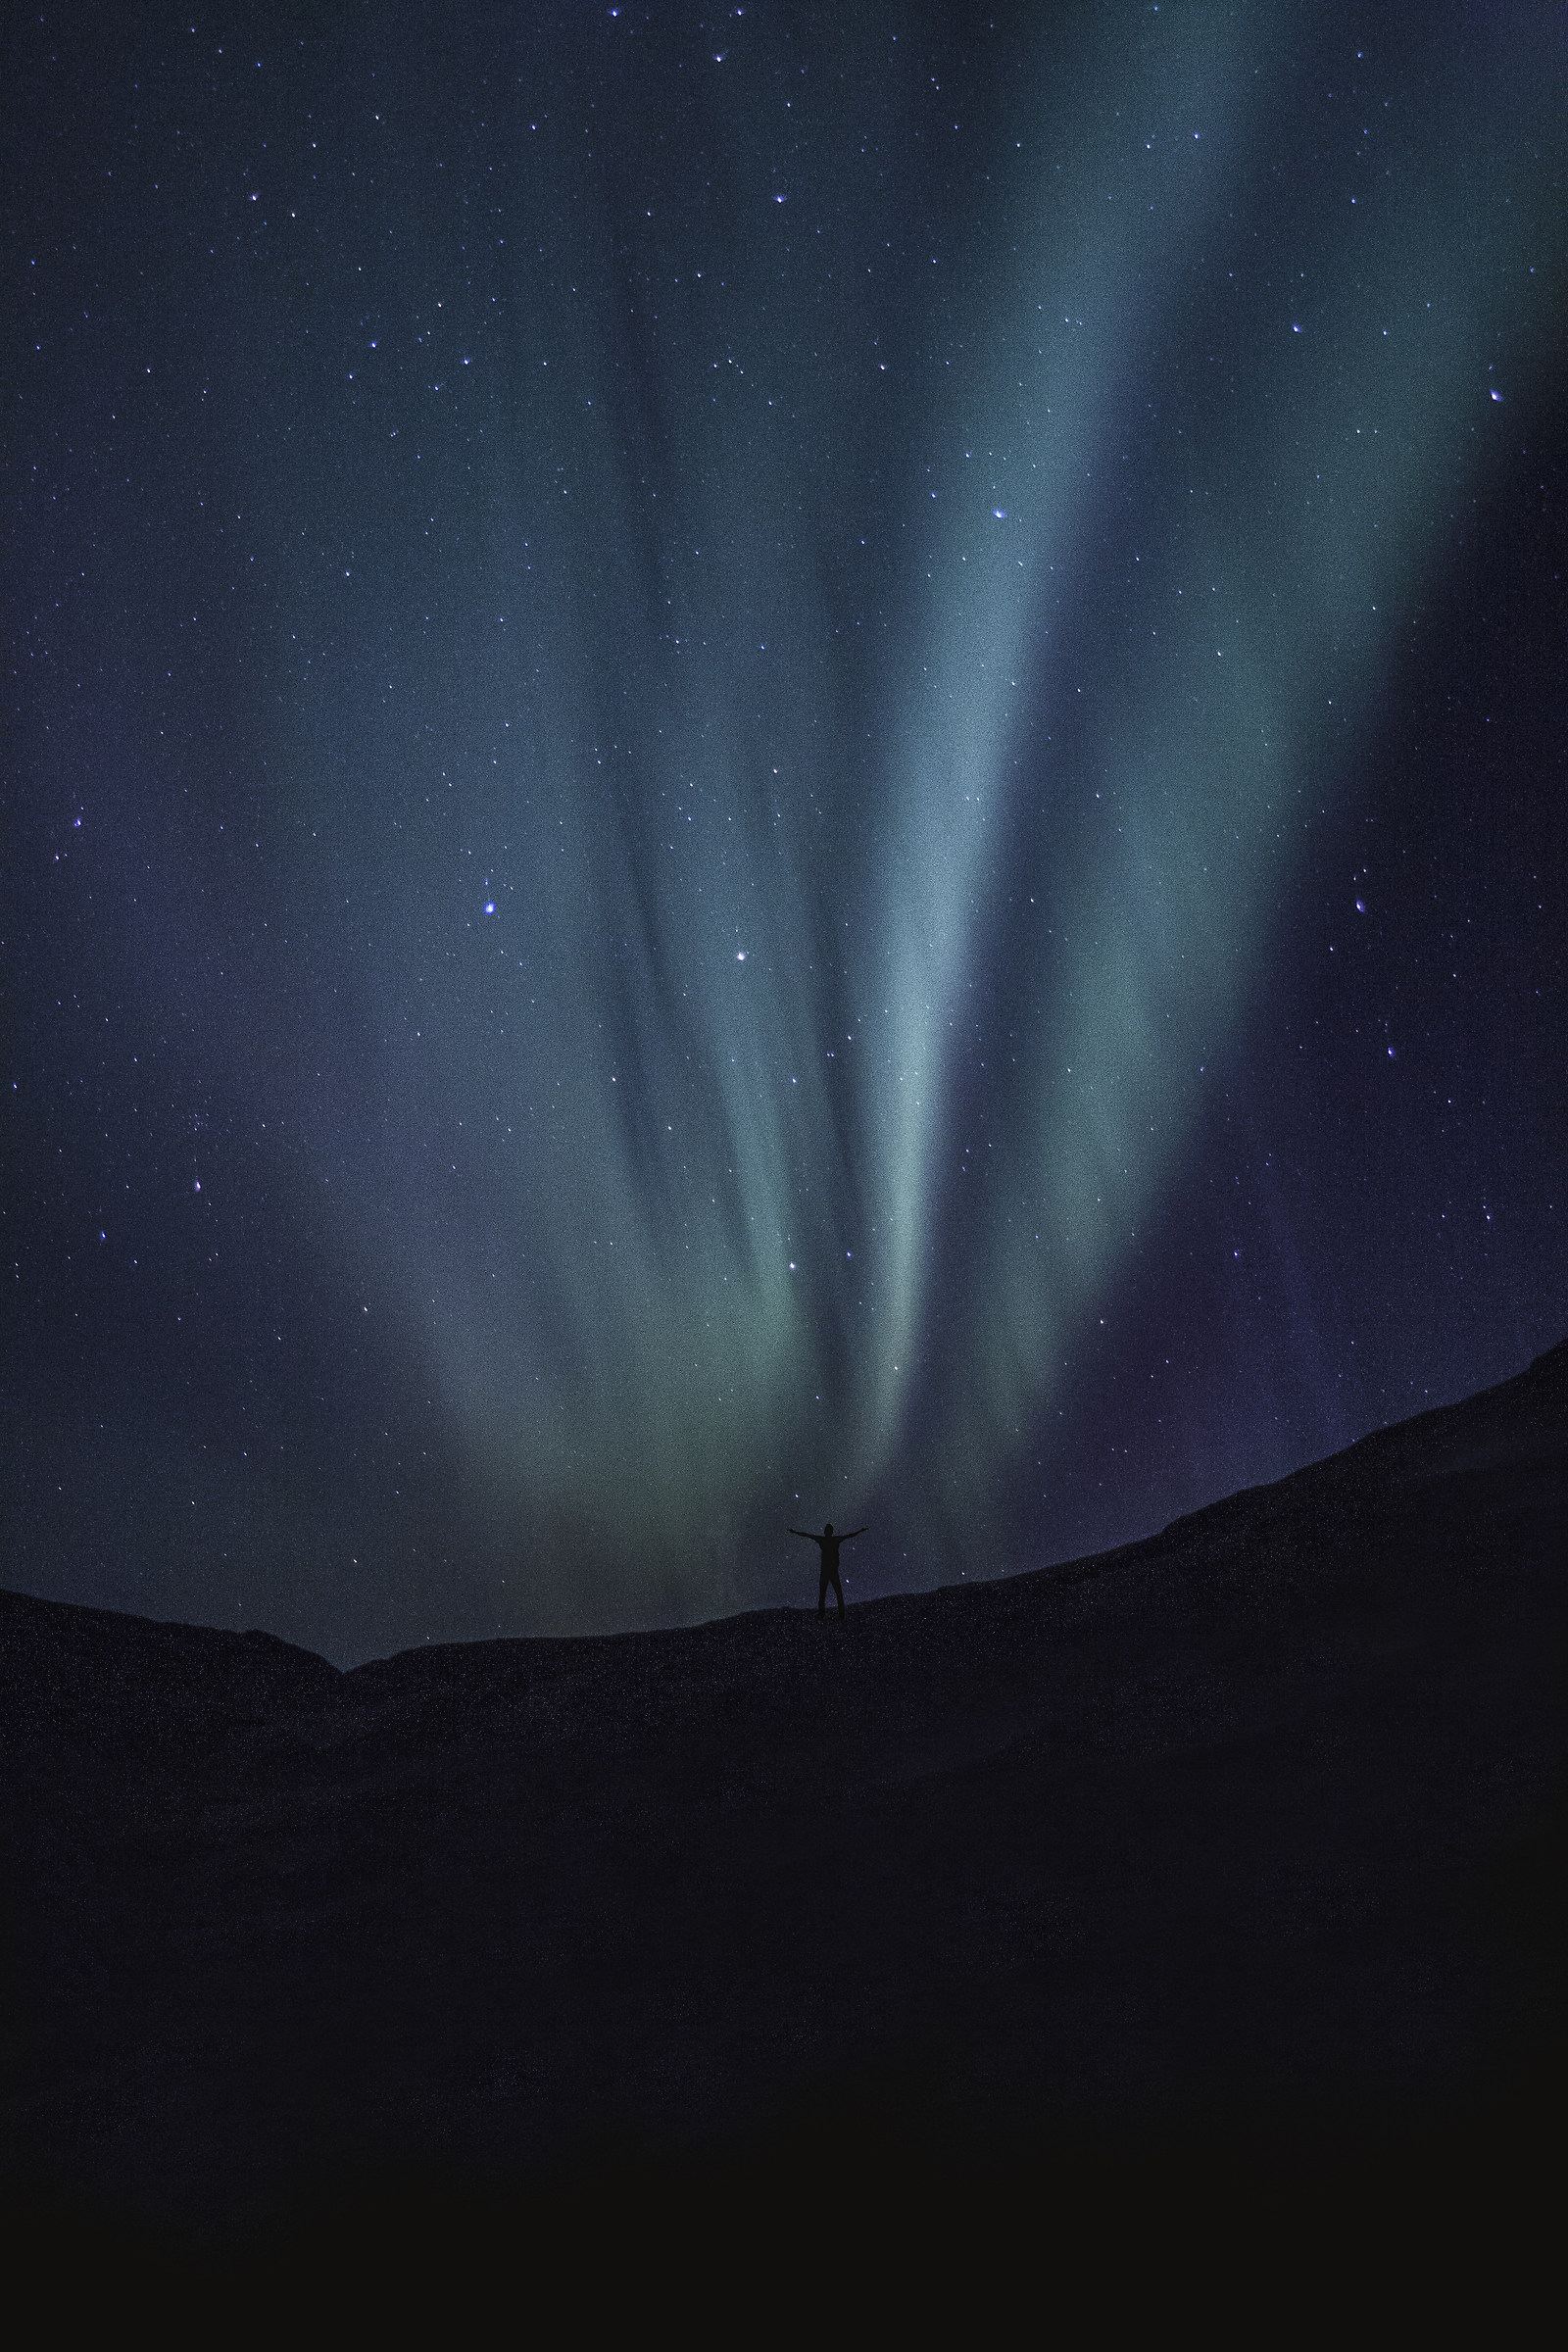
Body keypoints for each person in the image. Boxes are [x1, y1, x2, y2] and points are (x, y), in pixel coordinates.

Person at [788, 1521, 866, 1617]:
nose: (826, 1531)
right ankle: (835, 1613)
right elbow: (849, 1535)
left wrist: (795, 1532)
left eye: (827, 1530)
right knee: (832, 1593)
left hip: (828, 1570)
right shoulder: (833, 1540)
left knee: (827, 1593)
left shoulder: (826, 1540)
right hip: (829, 1570)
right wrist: (860, 1531)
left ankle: (830, 1613)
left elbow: (807, 1535)